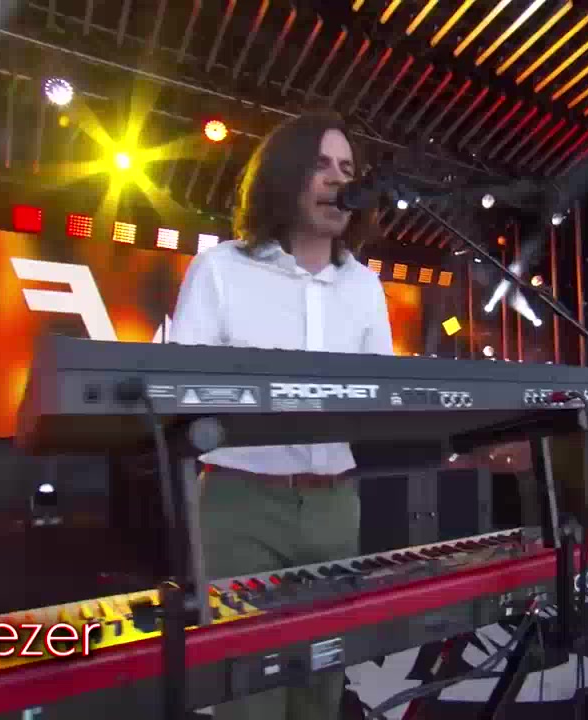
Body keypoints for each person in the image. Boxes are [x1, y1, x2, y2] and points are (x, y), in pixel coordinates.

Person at [168, 111, 394, 719]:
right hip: (240, 505)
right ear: (282, 174)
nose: (337, 179)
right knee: (249, 693)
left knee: (322, 686)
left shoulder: (365, 287)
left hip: (336, 505)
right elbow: (182, 391)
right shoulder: (220, 269)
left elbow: (384, 399)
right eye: (320, 165)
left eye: (347, 168)